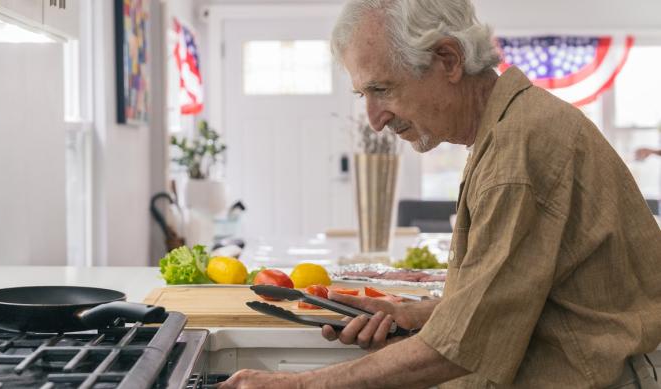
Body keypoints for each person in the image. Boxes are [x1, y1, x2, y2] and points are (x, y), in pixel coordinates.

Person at [219, 0, 661, 387]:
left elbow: (460, 346)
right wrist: (420, 313)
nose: (374, 118)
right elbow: (515, 303)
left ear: (448, 59)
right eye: (363, 94)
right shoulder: (509, 129)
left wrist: (298, 387)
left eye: (381, 88)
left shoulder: (519, 150)